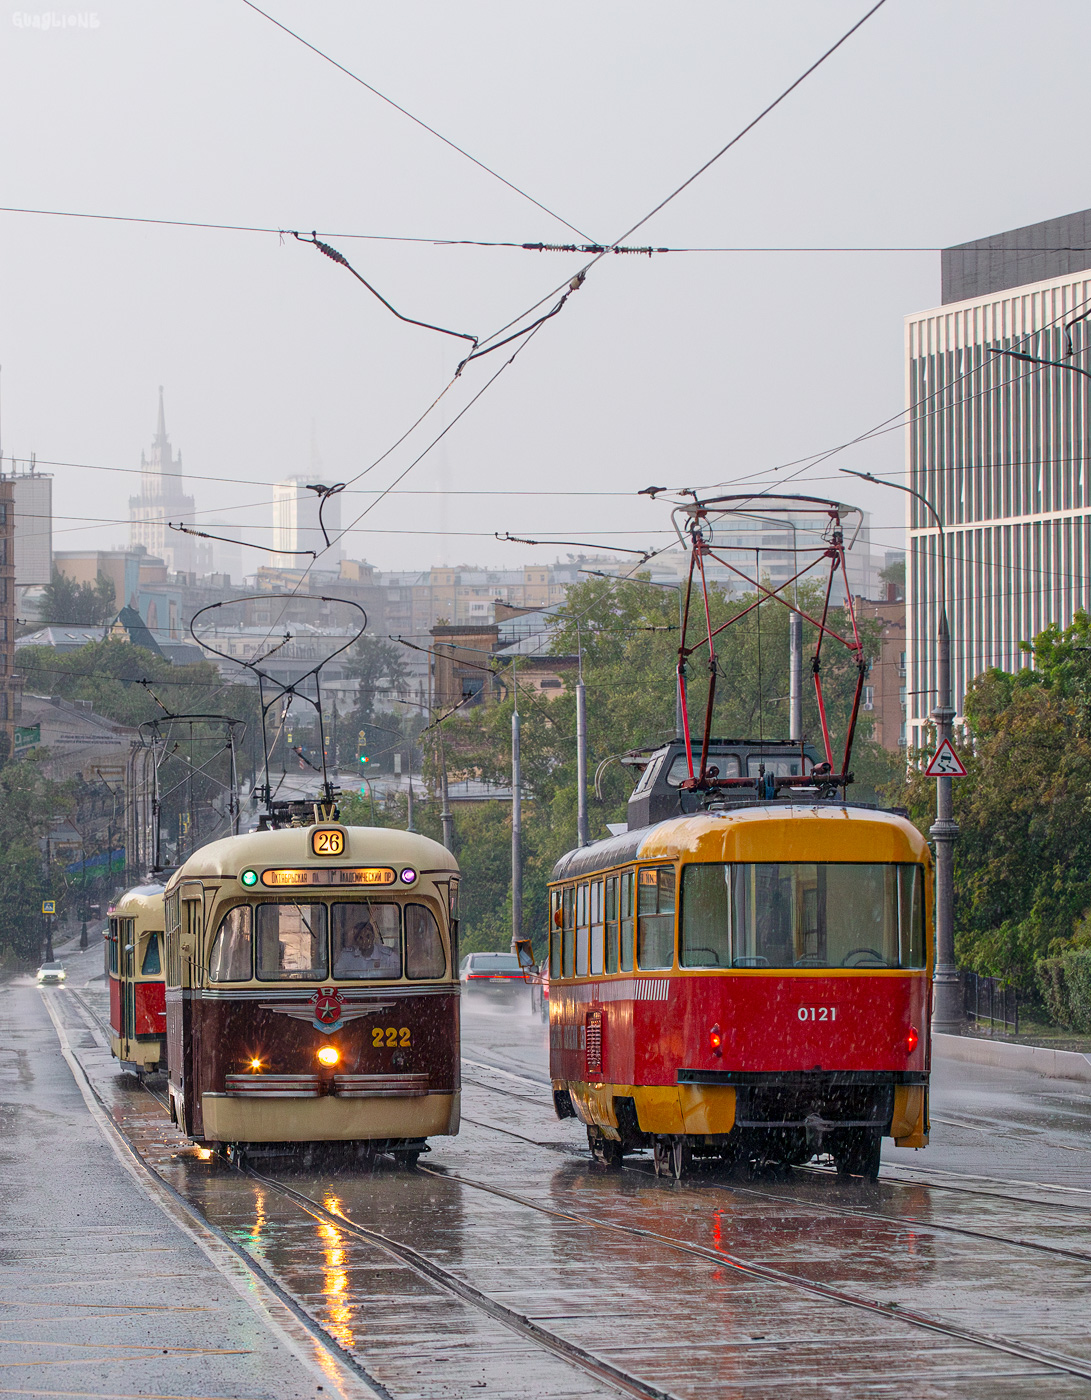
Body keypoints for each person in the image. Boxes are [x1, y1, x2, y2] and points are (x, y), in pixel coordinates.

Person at [334, 916, 400, 978]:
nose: (365, 941)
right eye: (360, 938)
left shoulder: (387, 956)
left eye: (368, 936)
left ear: (373, 936)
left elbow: (399, 973)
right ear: (355, 940)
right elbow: (337, 974)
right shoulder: (347, 957)